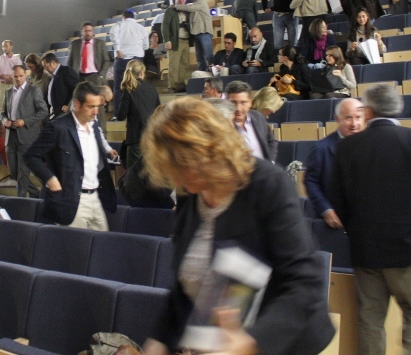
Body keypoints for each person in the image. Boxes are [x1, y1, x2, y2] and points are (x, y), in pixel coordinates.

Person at [141, 98, 334, 355]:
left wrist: (251, 343)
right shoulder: (191, 194)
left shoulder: (268, 184)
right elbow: (184, 286)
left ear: (209, 151)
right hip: (216, 344)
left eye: (183, 167)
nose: (176, 180)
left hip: (281, 343)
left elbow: (304, 282)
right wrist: (159, 340)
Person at [330, 84, 411, 355]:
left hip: (365, 251)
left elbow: (337, 198)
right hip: (410, 250)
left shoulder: (347, 146)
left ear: (368, 111)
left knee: (370, 320)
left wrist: (357, 232)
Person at [24, 82, 119, 231]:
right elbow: (30, 156)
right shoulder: (58, 127)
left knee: (103, 243)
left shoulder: (94, 126)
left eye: (97, 107)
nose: (96, 112)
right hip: (71, 200)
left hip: (96, 197)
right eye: (90, 107)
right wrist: (50, 178)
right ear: (77, 104)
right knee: (75, 244)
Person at [303, 98, 364, 228]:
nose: (354, 124)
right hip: (334, 224)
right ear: (337, 119)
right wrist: (326, 210)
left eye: (358, 117)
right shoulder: (321, 148)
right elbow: (311, 181)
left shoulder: (372, 146)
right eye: (348, 118)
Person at [1, 65, 48, 198]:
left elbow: (44, 111)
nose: (18, 79)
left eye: (21, 76)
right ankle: (36, 194)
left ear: (26, 75)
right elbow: (3, 113)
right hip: (11, 135)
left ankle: (20, 201)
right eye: (15, 76)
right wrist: (4, 121)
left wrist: (25, 121)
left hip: (27, 136)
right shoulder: (8, 93)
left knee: (23, 173)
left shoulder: (34, 91)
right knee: (13, 171)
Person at [115, 60, 160, 169]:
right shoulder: (151, 87)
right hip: (151, 137)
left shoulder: (129, 89)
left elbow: (120, 116)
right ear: (142, 73)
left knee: (134, 174)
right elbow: (159, 111)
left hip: (135, 138)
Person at [224, 81, 278, 162]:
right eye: (233, 103)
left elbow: (271, 141)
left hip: (264, 168)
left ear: (250, 103)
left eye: (243, 102)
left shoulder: (258, 117)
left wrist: (271, 162)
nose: (238, 108)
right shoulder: (222, 124)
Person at [109, 10, 149, 115]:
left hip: (122, 58)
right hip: (137, 60)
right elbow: (146, 46)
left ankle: (118, 114)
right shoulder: (141, 27)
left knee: (119, 87)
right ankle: (139, 113)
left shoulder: (119, 25)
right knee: (138, 86)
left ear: (123, 17)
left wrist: (118, 49)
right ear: (133, 17)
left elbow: (112, 34)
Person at [173, 0, 213, 72]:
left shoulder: (201, 2)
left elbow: (189, 8)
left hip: (204, 33)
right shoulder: (195, 3)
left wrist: (175, 6)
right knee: (199, 57)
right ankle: (203, 74)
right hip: (197, 34)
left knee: (207, 56)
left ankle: (211, 75)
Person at [162, 0, 191, 93]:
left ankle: (180, 85)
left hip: (186, 40)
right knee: (173, 65)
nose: (181, 0)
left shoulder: (187, 10)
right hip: (175, 41)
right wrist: (167, 40)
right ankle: (172, 86)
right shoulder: (170, 10)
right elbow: (165, 26)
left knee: (184, 64)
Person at [41, 52, 79, 119]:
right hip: (56, 111)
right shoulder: (52, 76)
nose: (45, 69)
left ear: (53, 63)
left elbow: (77, 89)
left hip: (64, 112)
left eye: (45, 66)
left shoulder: (66, 70)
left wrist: (69, 105)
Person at [0, 40, 23, 112]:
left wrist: (13, 78)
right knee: (0, 108)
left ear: (11, 47)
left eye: (6, 46)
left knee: (15, 107)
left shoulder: (17, 60)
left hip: (14, 85)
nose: (4, 48)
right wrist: (3, 76)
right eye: (3, 46)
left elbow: (21, 72)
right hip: (2, 85)